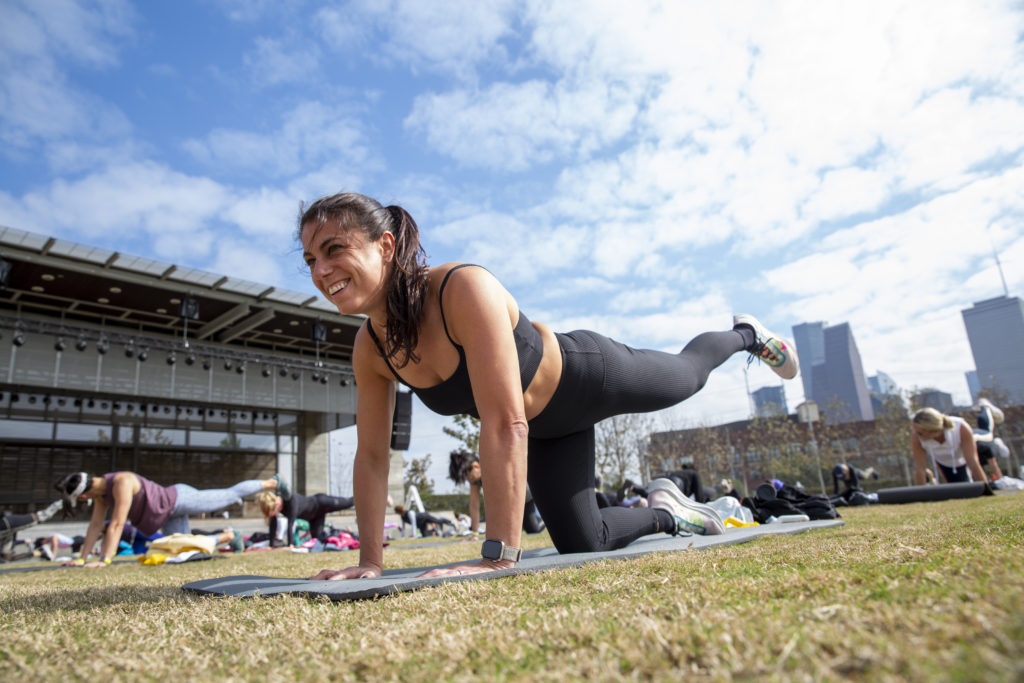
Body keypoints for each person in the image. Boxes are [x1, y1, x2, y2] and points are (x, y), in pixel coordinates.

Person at [300, 192, 799, 581]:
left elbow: (504, 420)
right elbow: (371, 457)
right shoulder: (370, 349)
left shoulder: (459, 288)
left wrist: (498, 554)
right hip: (546, 432)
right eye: (309, 261)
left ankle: (746, 335)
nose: (321, 272)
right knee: (586, 540)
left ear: (384, 245)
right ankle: (671, 514)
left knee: (688, 376)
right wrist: (369, 560)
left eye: (334, 250)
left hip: (588, 377)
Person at [53, 471, 287, 568]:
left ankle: (272, 482)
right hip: (166, 514)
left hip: (178, 499)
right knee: (186, 552)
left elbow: (116, 523)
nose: (85, 501)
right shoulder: (102, 496)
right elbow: (95, 526)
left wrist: (104, 560)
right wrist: (81, 559)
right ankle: (229, 537)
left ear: (83, 494)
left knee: (230, 494)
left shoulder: (121, 482)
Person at [448, 449, 546, 535]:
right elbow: (474, 505)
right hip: (515, 500)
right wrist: (475, 532)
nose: (469, 481)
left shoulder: (494, 465)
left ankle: (547, 515)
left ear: (476, 466)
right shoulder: (475, 481)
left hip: (527, 490)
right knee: (532, 530)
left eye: (470, 477)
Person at [910, 408, 991, 487]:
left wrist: (986, 489)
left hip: (976, 440)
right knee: (960, 490)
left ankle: (986, 409)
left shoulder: (961, 428)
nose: (917, 436)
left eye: (920, 433)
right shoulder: (917, 438)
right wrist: (921, 496)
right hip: (951, 461)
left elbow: (972, 461)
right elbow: (920, 468)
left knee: (988, 433)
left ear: (935, 431)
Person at [255, 490, 354, 548]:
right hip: (315, 518)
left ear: (276, 504)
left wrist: (290, 545)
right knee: (317, 541)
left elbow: (291, 524)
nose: (272, 514)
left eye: (271, 511)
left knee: (349, 502)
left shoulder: (290, 499)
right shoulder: (277, 508)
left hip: (321, 503)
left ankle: (365, 492)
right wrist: (272, 545)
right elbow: (273, 527)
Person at [972, 398, 1006, 481]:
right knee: (988, 433)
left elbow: (993, 465)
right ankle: (985, 407)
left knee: (987, 432)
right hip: (975, 439)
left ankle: (985, 408)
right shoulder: (988, 446)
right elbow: (993, 465)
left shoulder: (986, 448)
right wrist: (1001, 480)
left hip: (974, 439)